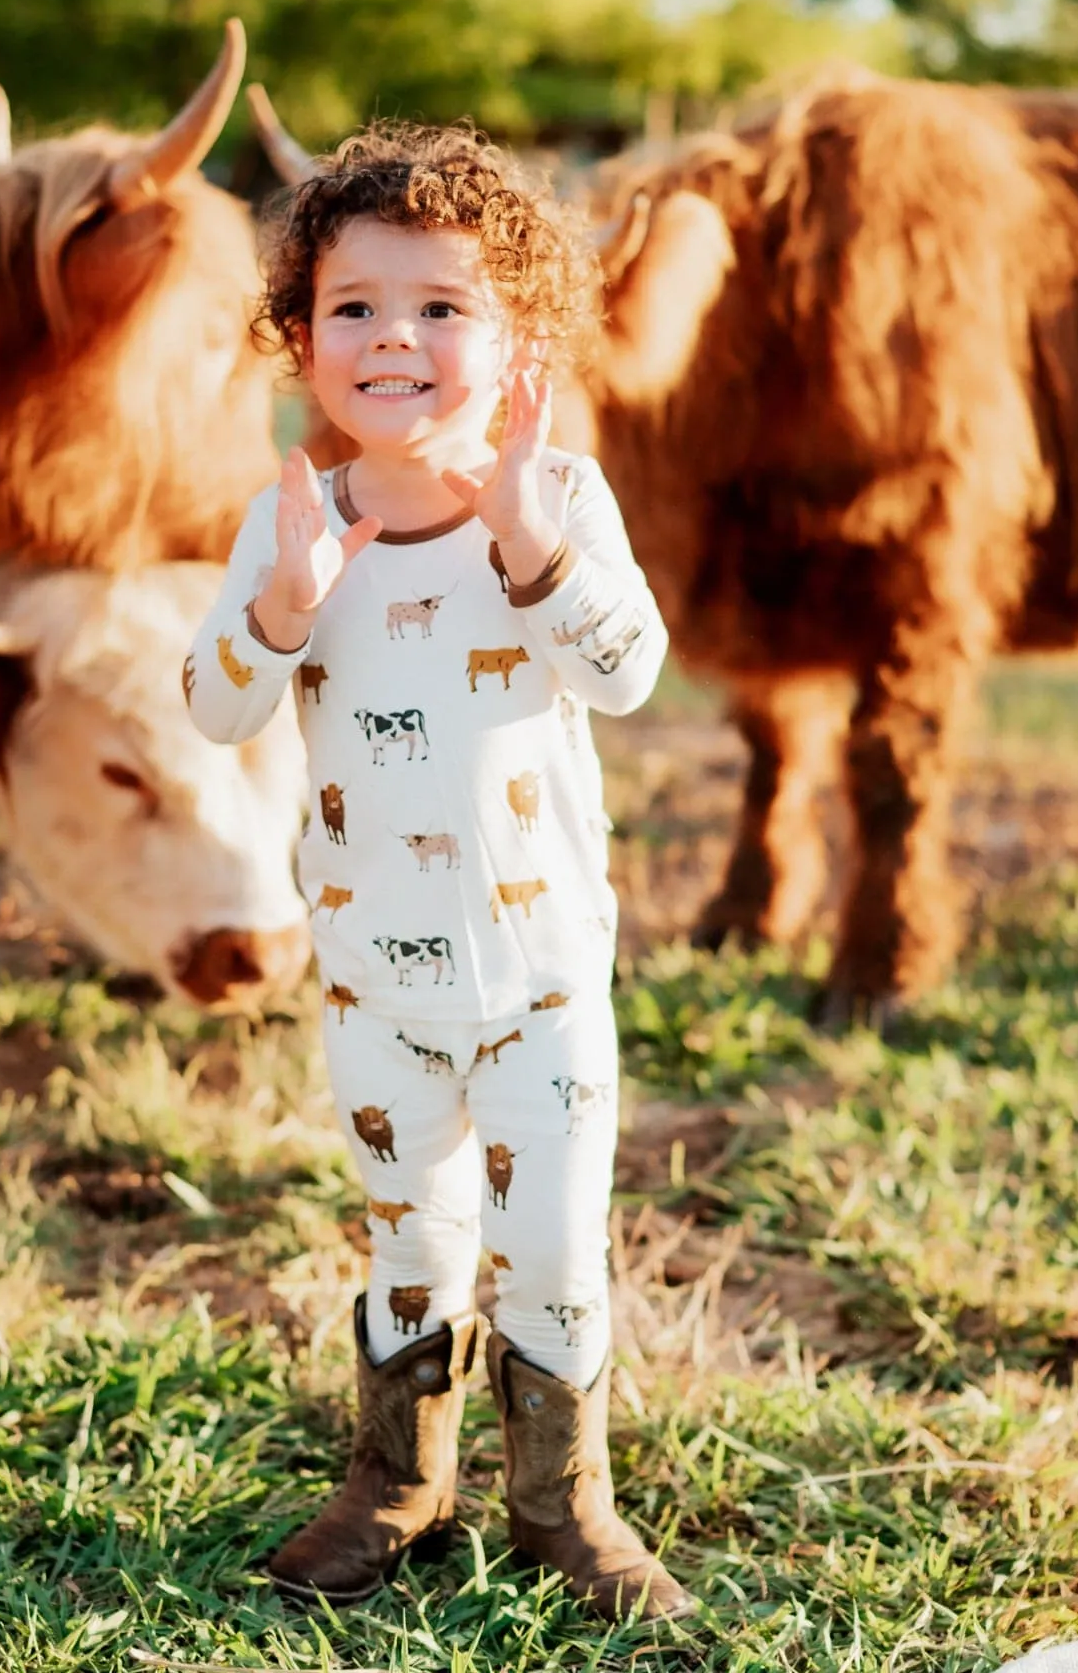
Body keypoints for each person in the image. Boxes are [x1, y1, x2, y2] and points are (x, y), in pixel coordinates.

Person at [185, 123, 689, 1622]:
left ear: (518, 338)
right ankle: (397, 1479)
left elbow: (630, 676)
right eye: (354, 307)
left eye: (442, 307)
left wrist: (534, 545)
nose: (394, 336)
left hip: (541, 981)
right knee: (412, 1230)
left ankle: (566, 1505)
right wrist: (283, 603)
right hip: (374, 981)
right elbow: (213, 707)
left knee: (551, 1246)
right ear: (299, 340)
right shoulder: (294, 530)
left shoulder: (558, 508)